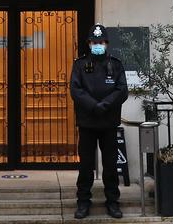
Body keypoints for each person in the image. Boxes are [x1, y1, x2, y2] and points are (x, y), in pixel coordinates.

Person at [69, 23, 128, 219]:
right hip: (87, 123)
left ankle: (112, 201)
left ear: (106, 43)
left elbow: (122, 90)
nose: (97, 45)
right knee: (86, 165)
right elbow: (75, 90)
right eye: (94, 42)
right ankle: (83, 202)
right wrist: (94, 106)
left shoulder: (116, 64)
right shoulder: (79, 64)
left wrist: (106, 105)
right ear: (89, 43)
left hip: (108, 124)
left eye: (100, 42)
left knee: (110, 165)